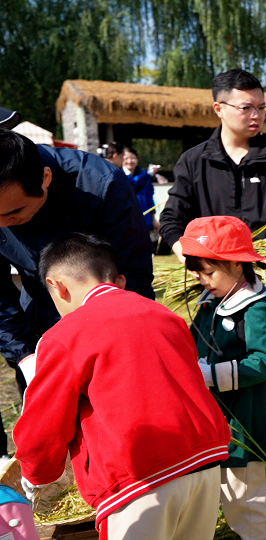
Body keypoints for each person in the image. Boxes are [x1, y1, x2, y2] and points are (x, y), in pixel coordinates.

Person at [14, 233, 230, 539]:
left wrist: (36, 474)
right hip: (205, 462)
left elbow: (44, 421)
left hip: (139, 477)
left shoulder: (64, 335)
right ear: (120, 281)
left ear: (57, 286)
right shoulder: (166, 316)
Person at [158, 69, 266, 443]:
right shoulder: (194, 161)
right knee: (219, 347)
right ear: (219, 108)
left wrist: (250, 259)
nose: (256, 116)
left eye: (262, 108)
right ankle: (225, 425)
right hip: (216, 279)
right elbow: (172, 220)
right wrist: (193, 257)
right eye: (246, 107)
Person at [0, 129, 153, 461]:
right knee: (53, 426)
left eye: (13, 213)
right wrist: (25, 354)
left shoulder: (101, 186)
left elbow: (133, 277)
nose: (3, 225)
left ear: (45, 178)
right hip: (41, 321)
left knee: (116, 423)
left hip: (110, 326)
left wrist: (110, 348)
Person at [181, 216, 266, 540]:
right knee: (226, 492)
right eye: (198, 273)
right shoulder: (211, 301)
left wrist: (212, 375)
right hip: (218, 417)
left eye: (209, 272)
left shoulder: (253, 307)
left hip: (247, 420)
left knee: (246, 498)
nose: (203, 280)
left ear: (236, 264)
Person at [120, 146, 157, 231]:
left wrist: (153, 218)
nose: (129, 161)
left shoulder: (145, 176)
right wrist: (148, 174)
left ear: (137, 159)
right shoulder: (118, 176)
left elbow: (149, 198)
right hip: (126, 221)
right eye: (126, 158)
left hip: (145, 219)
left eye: (133, 158)